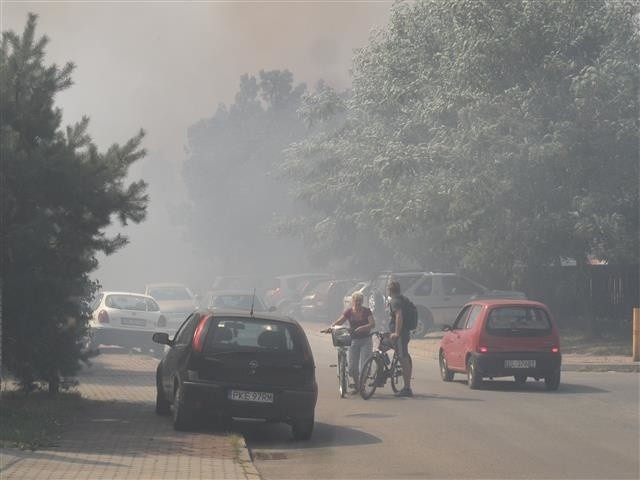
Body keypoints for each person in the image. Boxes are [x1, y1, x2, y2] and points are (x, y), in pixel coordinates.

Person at [321, 292, 375, 393]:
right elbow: (339, 321)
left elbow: (372, 324)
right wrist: (331, 327)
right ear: (352, 301)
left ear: (362, 301)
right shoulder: (349, 312)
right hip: (353, 340)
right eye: (356, 300)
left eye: (360, 300)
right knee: (351, 368)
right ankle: (357, 384)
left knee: (363, 366)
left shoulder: (367, 311)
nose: (358, 303)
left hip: (366, 340)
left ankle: (361, 386)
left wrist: (363, 327)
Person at [387, 280, 413, 397]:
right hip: (403, 332)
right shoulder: (403, 299)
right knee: (383, 344)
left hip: (400, 335)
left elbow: (399, 316)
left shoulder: (395, 301)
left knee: (403, 358)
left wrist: (397, 333)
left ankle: (407, 388)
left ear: (390, 290)